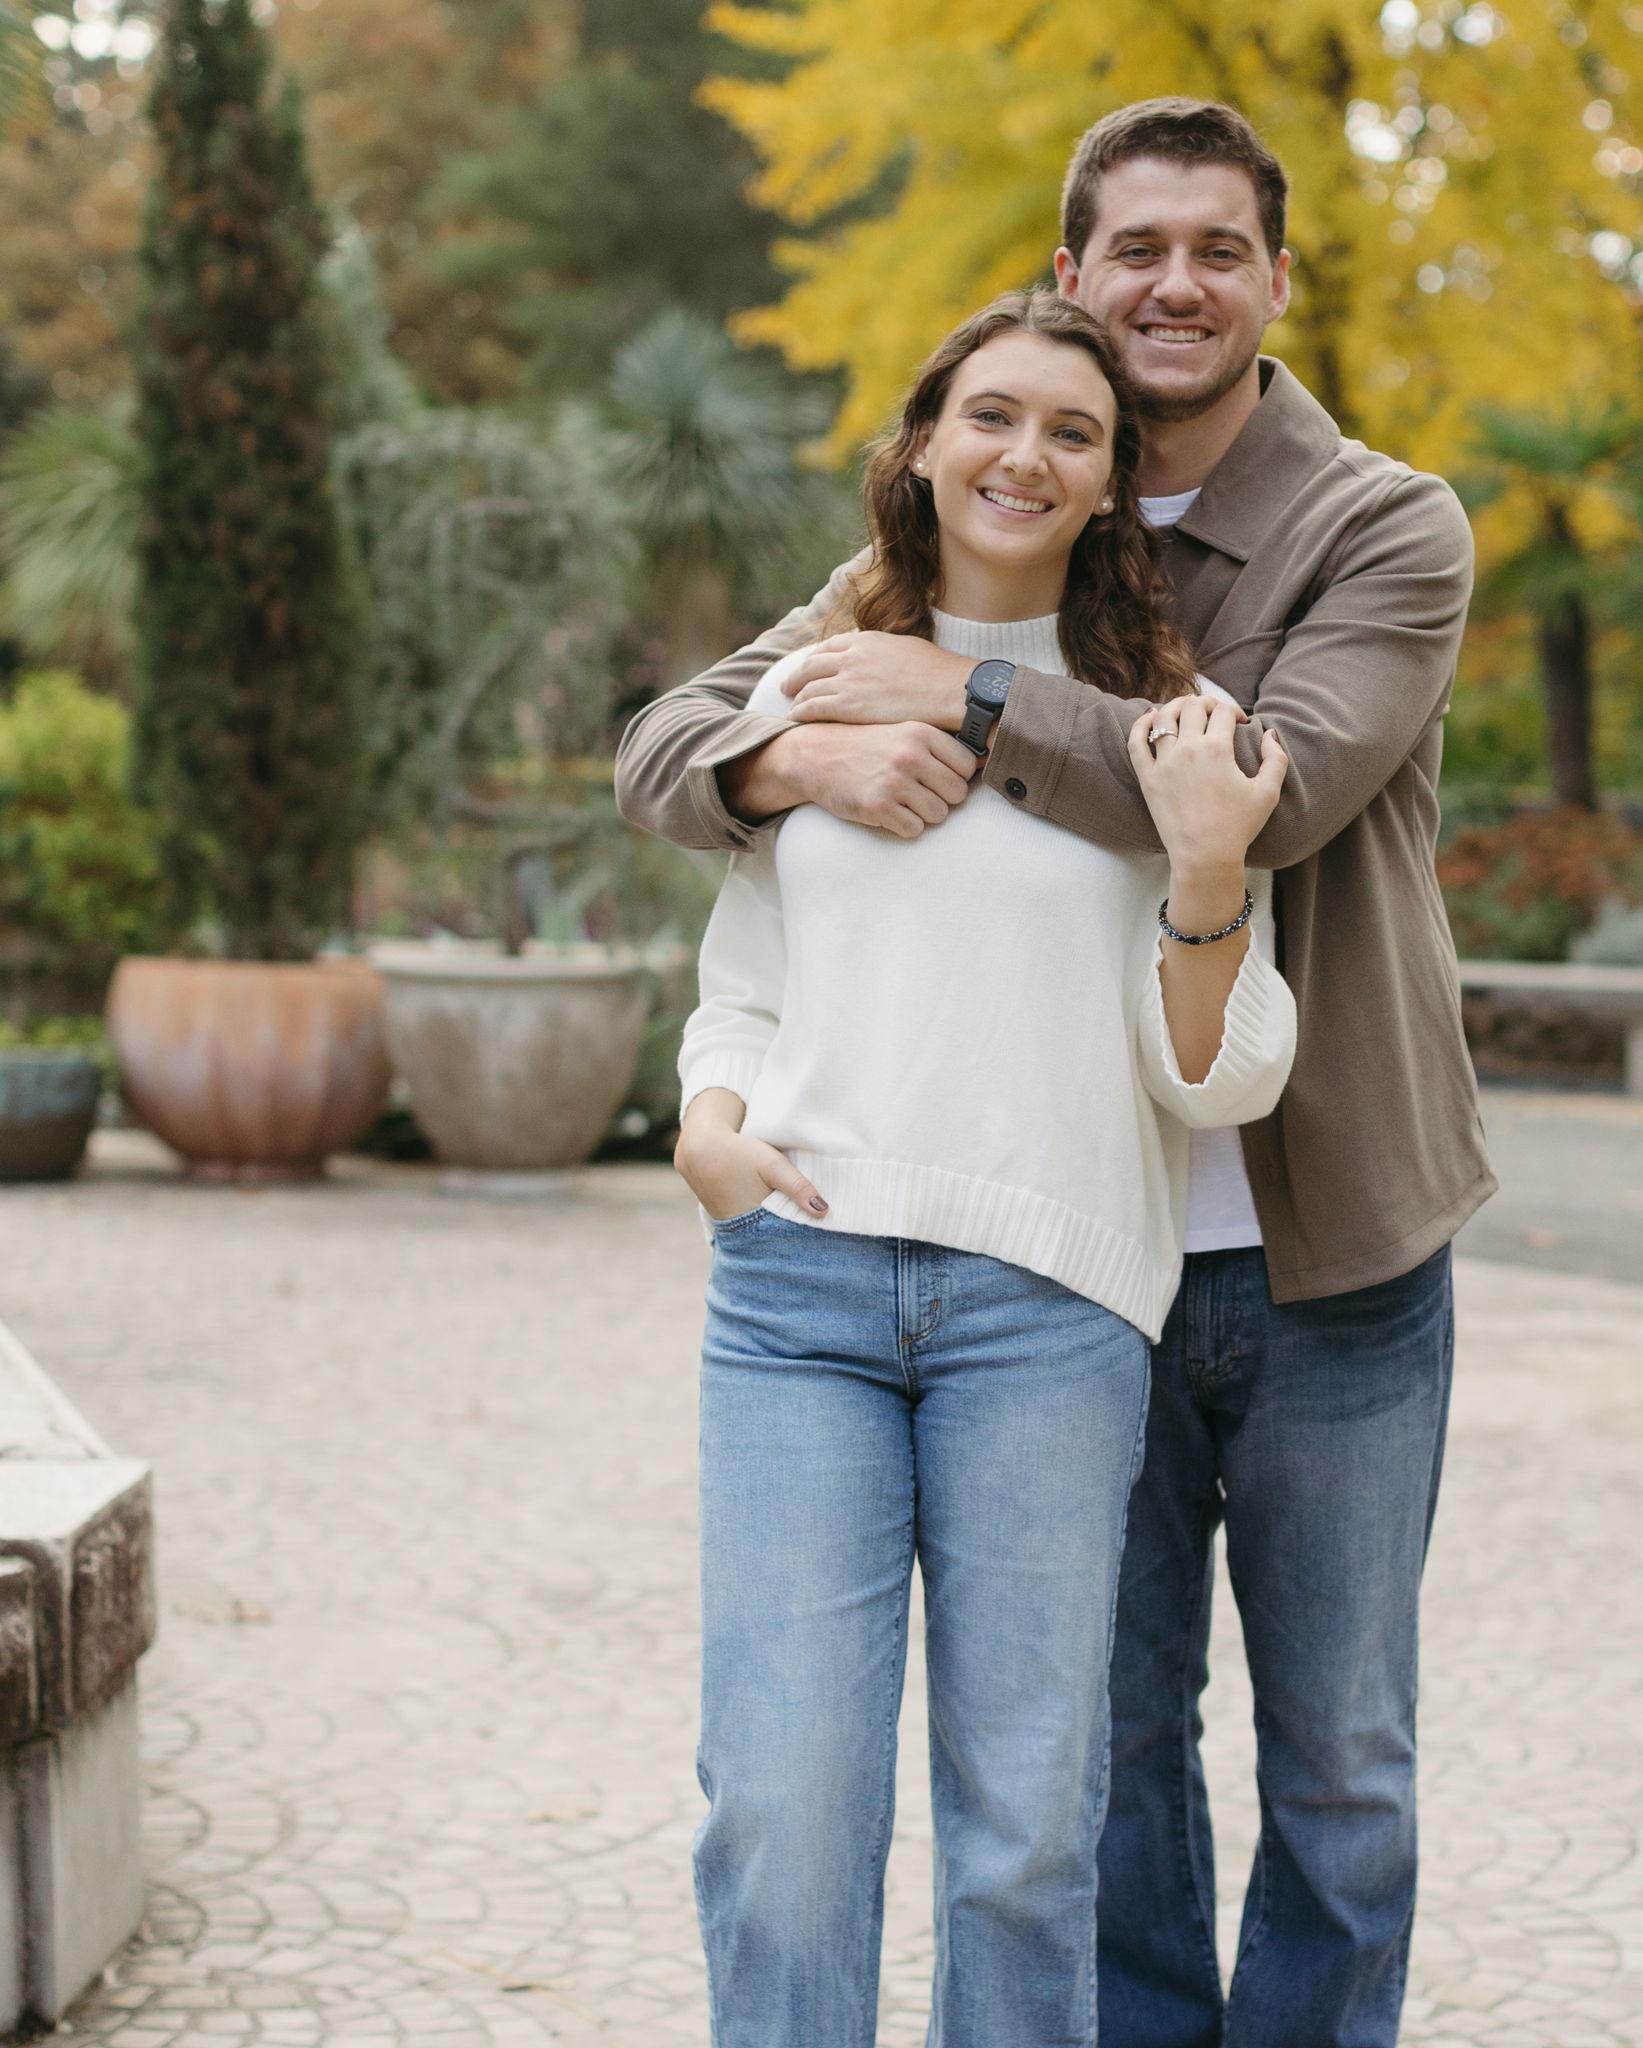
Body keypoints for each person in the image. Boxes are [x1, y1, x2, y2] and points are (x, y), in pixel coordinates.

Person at [618, 99, 1495, 2048]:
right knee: (1095, 1766)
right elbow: (683, 744)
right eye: (1135, 249)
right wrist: (794, 761)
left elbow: (1264, 803)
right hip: (1066, 1260)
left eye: (1219, 248)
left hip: (1313, 1240)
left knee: (1339, 1754)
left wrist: (962, 694)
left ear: (1274, 281)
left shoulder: (1379, 525)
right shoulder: (960, 535)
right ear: (1072, 274)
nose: (1174, 281)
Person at [665, 287, 1296, 2048]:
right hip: (798, 1296)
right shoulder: (807, 688)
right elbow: (749, 983)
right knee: (781, 1814)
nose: (1027, 455)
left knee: (1025, 1842)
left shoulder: (1159, 726)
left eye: (1074, 434)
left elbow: (1224, 1071)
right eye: (993, 417)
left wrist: (1200, 875)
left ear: (1109, 487)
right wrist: (712, 1132)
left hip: (1055, 1320)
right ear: (926, 446)